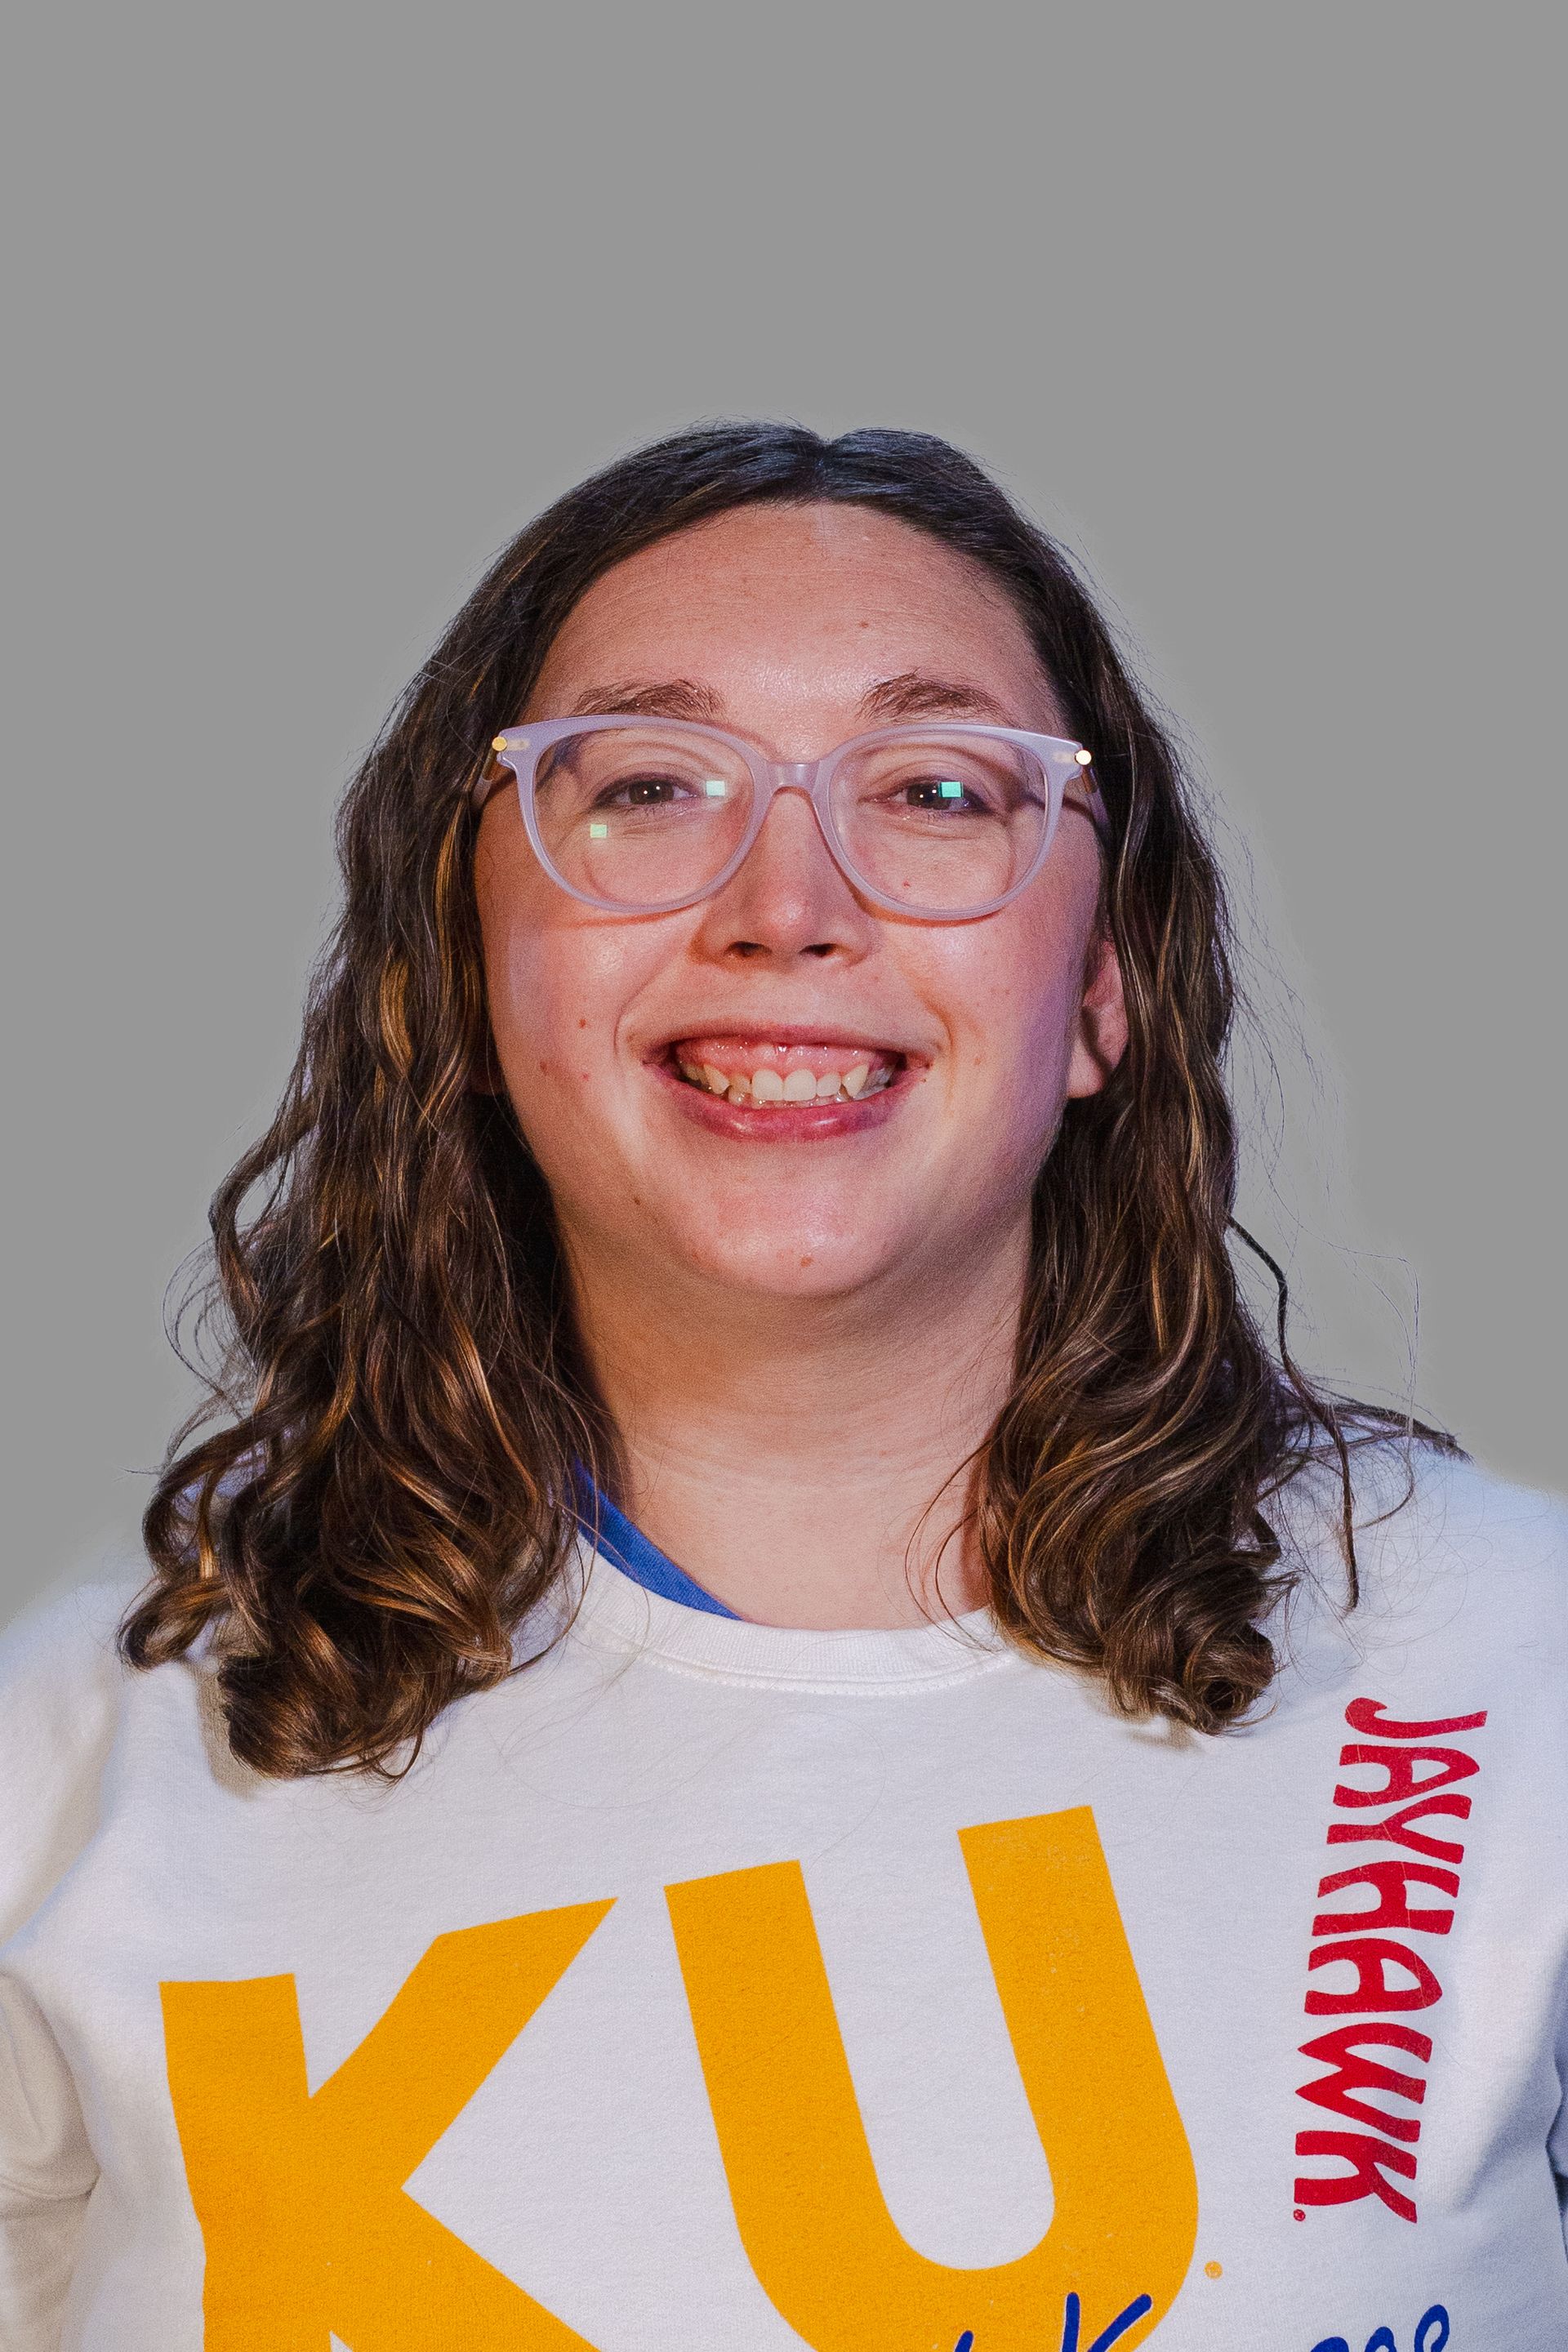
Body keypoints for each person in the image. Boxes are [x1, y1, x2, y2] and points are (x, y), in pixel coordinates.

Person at [0, 424, 1562, 2352]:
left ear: (1099, 988)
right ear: (465, 970)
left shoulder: (1518, 1678)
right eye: (651, 785)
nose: (789, 904)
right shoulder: (73, 1766)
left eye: (933, 787)